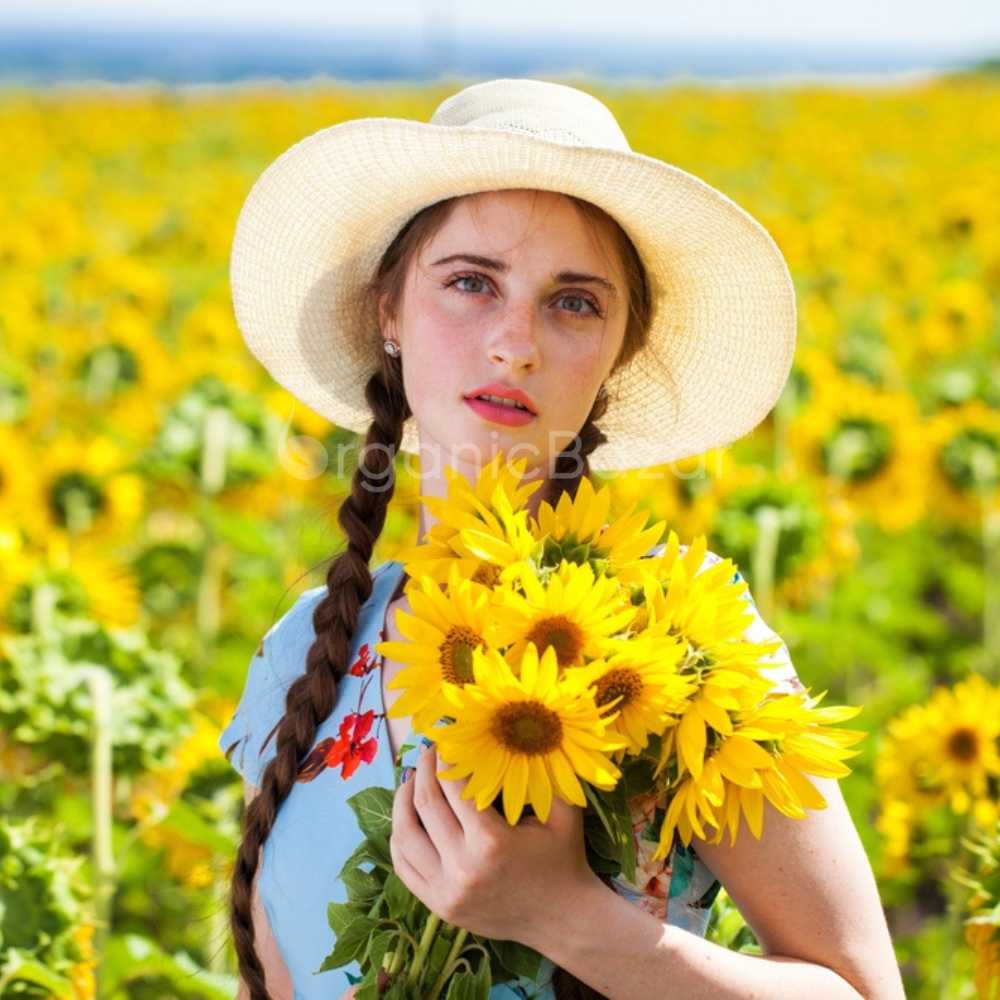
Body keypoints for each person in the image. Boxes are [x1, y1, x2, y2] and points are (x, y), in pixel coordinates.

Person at [218, 78, 905, 999]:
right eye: (470, 283)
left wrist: (563, 916)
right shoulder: (302, 653)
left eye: (574, 302)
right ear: (389, 313)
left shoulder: (688, 645)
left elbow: (864, 991)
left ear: (620, 349)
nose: (516, 344)